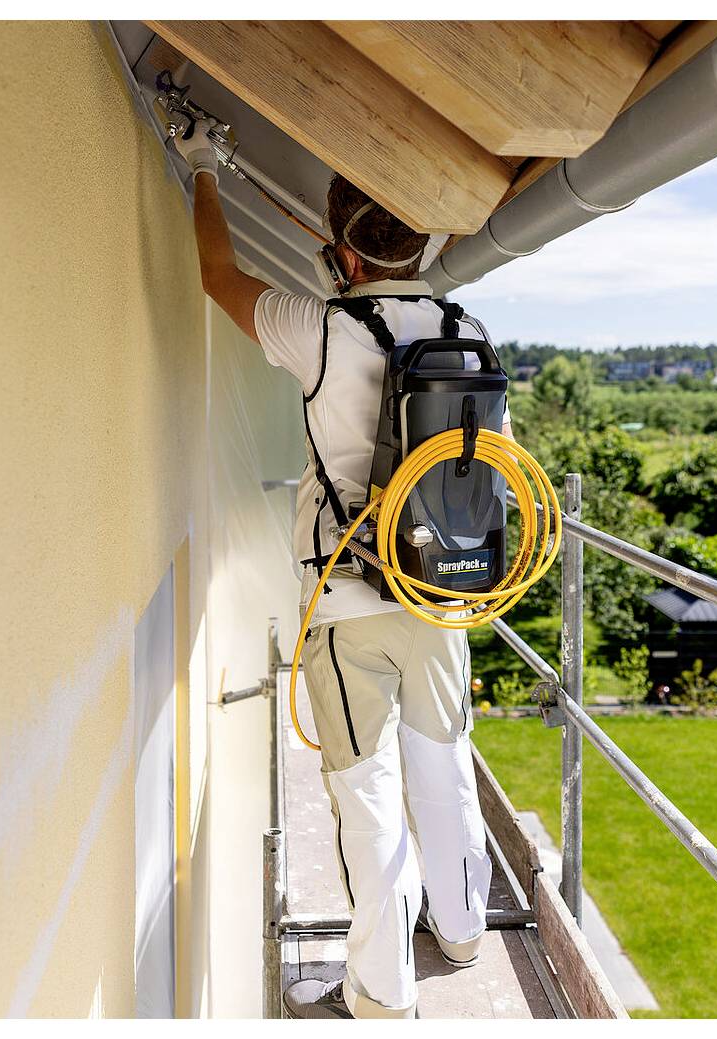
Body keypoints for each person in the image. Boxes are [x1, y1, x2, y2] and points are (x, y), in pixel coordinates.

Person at [173, 119, 510, 1019]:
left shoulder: (322, 327)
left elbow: (217, 277)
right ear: (422, 238)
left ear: (341, 250)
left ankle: (380, 991)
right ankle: (465, 927)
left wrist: (204, 169)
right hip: (445, 590)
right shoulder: (465, 326)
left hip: (349, 600)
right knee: (443, 764)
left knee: (367, 792)